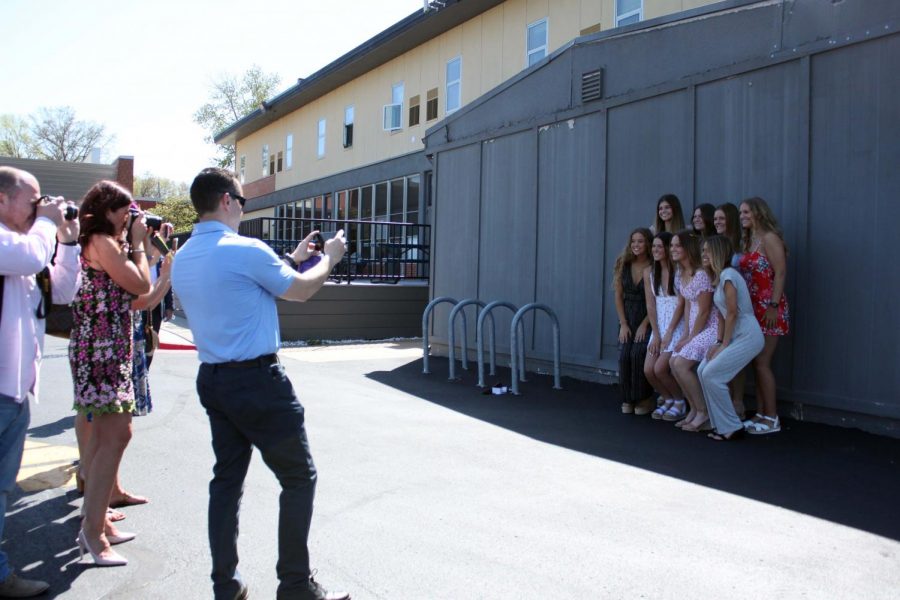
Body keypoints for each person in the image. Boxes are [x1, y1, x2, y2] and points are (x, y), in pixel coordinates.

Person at [171, 167, 351, 600]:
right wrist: (330, 256)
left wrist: (289, 258)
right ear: (228, 201)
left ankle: (225, 585)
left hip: (214, 379)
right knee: (298, 477)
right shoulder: (244, 249)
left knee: (226, 481)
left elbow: (247, 286)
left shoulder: (185, 256)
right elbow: (301, 291)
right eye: (243, 200)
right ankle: (294, 586)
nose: (243, 207)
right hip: (258, 382)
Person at [0, 166, 80, 597]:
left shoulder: (29, 243)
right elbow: (31, 256)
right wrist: (48, 223)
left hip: (14, 391)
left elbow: (64, 291)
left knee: (1, 487)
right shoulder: (15, 245)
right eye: (32, 201)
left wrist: (66, 239)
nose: (40, 207)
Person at [70, 181, 153, 567]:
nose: (130, 217)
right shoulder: (103, 242)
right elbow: (139, 283)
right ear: (107, 210)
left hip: (110, 347)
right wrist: (137, 244)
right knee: (116, 435)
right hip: (98, 350)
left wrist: (144, 250)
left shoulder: (106, 242)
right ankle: (92, 531)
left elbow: (137, 295)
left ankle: (98, 521)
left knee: (111, 436)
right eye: (125, 210)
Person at [698, 236, 765, 441]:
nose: (704, 255)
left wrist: (724, 345)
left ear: (718, 252)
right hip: (735, 335)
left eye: (708, 251)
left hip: (748, 335)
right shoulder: (719, 278)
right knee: (703, 370)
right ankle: (720, 423)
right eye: (703, 251)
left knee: (712, 374)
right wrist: (718, 342)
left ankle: (732, 427)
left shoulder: (728, 275)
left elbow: (733, 313)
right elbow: (721, 314)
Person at [738, 197, 789, 435]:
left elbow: (780, 272)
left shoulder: (769, 238)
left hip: (770, 308)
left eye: (747, 212)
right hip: (753, 310)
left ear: (759, 212)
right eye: (741, 213)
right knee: (756, 363)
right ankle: (760, 413)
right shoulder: (750, 240)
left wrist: (773, 304)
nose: (743, 216)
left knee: (762, 363)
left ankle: (772, 417)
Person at [669, 230, 718, 432]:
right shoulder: (682, 274)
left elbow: (705, 310)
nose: (673, 249)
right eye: (671, 245)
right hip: (696, 327)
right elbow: (689, 306)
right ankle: (694, 410)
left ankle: (704, 412)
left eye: (677, 245)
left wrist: (691, 337)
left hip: (711, 327)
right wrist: (685, 334)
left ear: (688, 248)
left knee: (680, 364)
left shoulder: (702, 275)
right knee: (673, 361)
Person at [643, 232, 686, 420]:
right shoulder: (650, 273)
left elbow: (682, 303)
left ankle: (680, 401)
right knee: (648, 370)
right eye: (654, 246)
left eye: (660, 246)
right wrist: (657, 333)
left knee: (660, 368)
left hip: (677, 326)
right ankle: (668, 398)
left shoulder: (680, 271)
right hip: (659, 327)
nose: (655, 250)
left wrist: (669, 333)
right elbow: (650, 305)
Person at [613, 228, 654, 415]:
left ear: (648, 244)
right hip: (627, 317)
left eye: (641, 241)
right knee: (624, 356)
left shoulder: (654, 266)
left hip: (647, 316)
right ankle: (627, 398)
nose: (636, 245)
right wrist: (623, 323)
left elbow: (655, 300)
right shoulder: (624, 263)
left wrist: (646, 323)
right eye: (633, 241)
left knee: (638, 354)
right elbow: (618, 295)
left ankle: (644, 399)